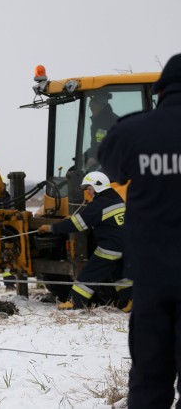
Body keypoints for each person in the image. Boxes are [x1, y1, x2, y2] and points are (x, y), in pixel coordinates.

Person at [97, 53, 181, 409]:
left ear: (160, 89)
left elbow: (110, 163)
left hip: (153, 282)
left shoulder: (132, 133)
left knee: (149, 381)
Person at [38, 171, 130, 310]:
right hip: (125, 246)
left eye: (89, 189)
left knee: (89, 273)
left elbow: (78, 225)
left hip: (109, 248)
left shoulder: (99, 205)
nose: (88, 193)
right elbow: (95, 215)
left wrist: (51, 228)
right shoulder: (115, 199)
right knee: (119, 274)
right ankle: (129, 302)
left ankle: (74, 302)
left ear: (98, 186)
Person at [84, 92, 119, 171]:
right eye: (90, 107)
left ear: (100, 106)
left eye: (92, 107)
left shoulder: (113, 122)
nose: (91, 109)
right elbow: (96, 145)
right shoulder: (97, 123)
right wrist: (86, 156)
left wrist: (94, 158)